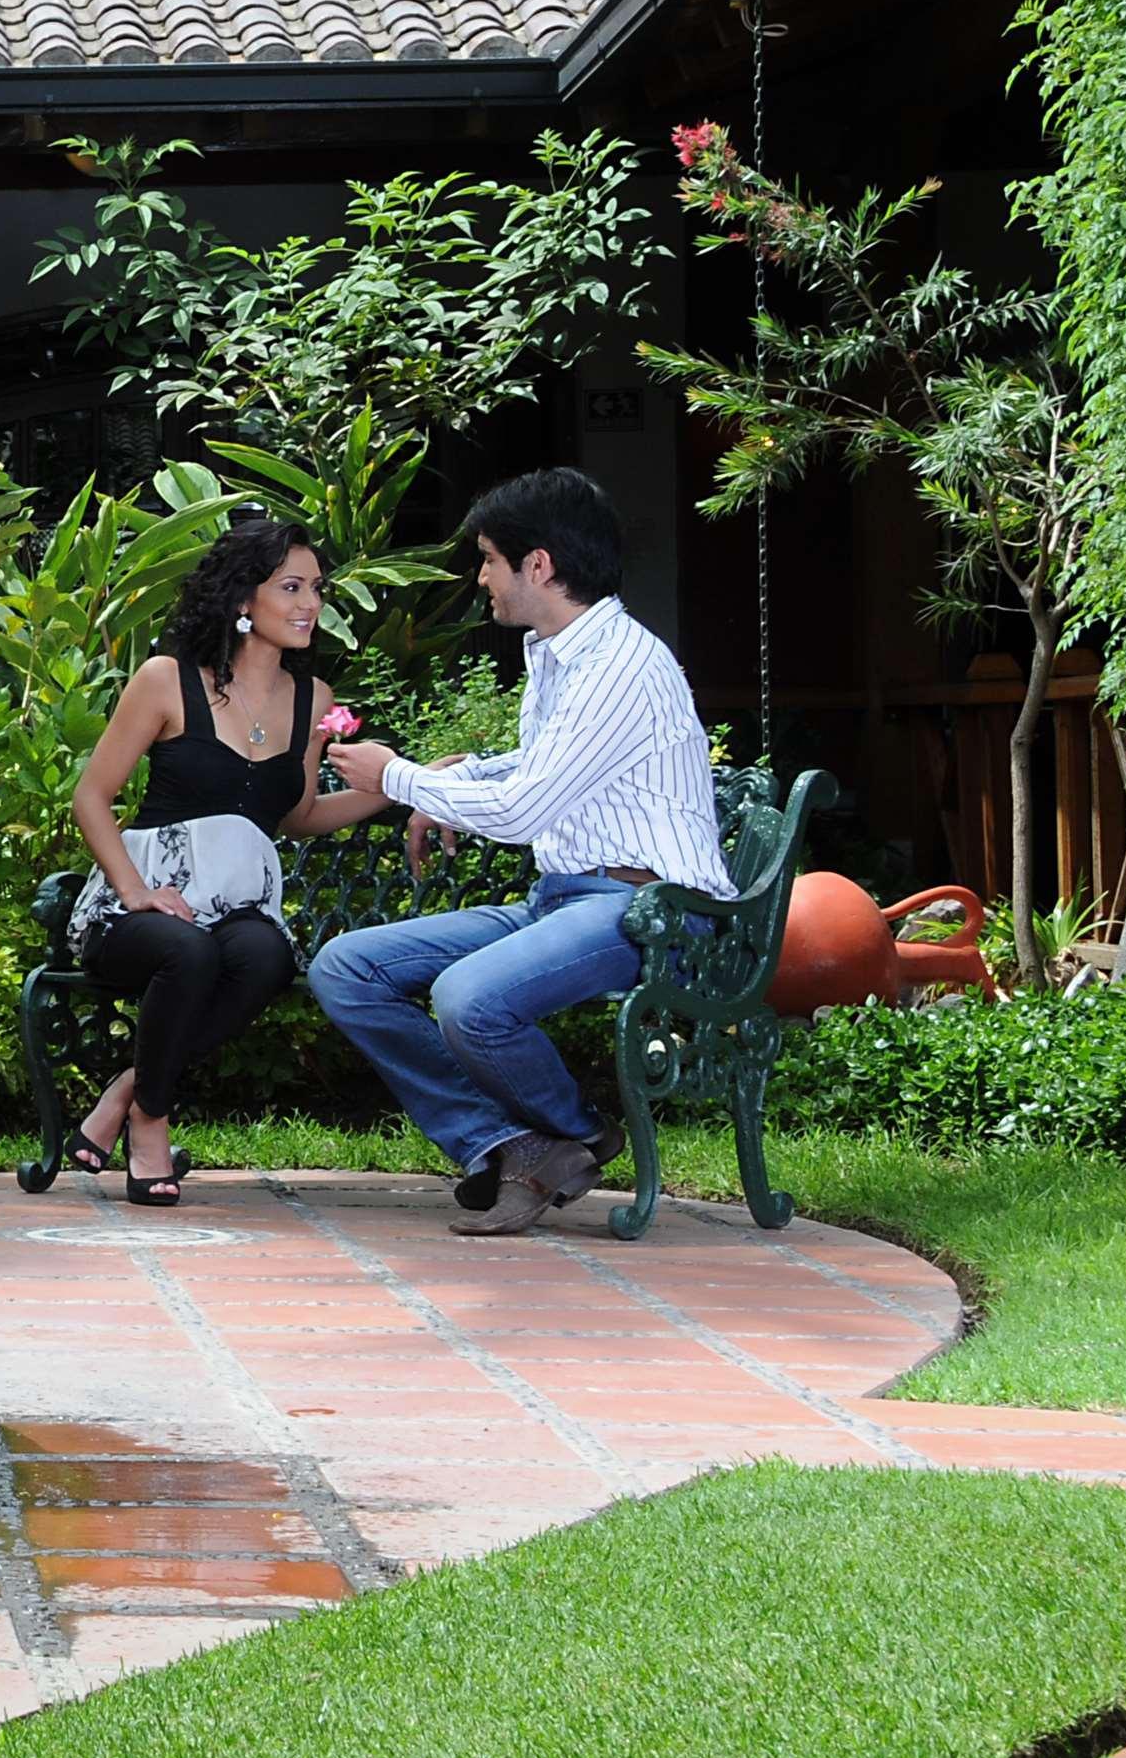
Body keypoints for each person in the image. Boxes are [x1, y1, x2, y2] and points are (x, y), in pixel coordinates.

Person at [312, 468, 733, 1237]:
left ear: (536, 565)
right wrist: (458, 773)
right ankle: (517, 1145)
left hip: (652, 912)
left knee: (470, 999)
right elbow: (539, 768)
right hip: (566, 900)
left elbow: (524, 807)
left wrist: (397, 775)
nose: (481, 580)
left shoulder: (619, 666)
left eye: (486, 560)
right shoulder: (561, 654)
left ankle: (583, 1134)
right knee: (347, 966)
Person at [62, 516, 393, 1205]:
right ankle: (151, 1123)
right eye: (291, 587)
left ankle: (128, 1091)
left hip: (234, 906)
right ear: (244, 599)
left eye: (317, 589)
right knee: (188, 952)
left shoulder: (312, 700)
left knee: (264, 956)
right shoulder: (165, 681)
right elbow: (91, 798)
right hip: (141, 903)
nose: (310, 604)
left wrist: (399, 786)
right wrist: (135, 891)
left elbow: (297, 817)